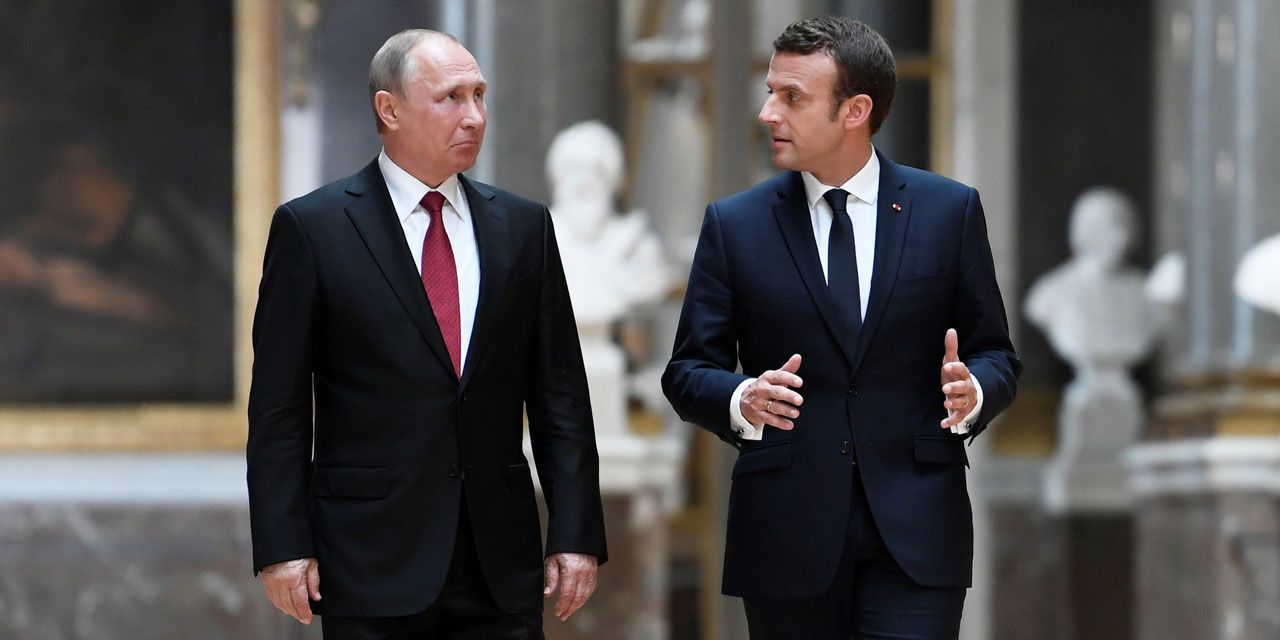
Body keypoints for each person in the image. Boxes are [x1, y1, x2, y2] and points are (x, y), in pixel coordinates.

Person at [663, 17, 1020, 639]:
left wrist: (975, 391)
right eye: (770, 92)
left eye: (791, 97)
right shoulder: (735, 225)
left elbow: (996, 354)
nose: (768, 112)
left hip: (916, 533)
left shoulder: (949, 210)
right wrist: (742, 397)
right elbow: (687, 371)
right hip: (785, 534)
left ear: (855, 110)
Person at [247, 29, 606, 638]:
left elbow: (561, 396)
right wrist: (283, 544)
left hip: (499, 563)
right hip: (369, 557)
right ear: (389, 109)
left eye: (480, 95)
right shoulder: (313, 229)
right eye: (451, 98)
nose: (474, 116)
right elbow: (279, 406)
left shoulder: (523, 226)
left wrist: (575, 533)